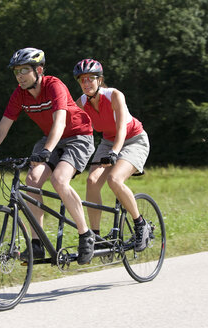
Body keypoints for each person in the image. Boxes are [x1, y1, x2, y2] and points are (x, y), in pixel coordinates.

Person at [0, 48, 96, 264]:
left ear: (39, 70)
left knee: (59, 180)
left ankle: (85, 235)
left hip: (78, 136)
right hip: (51, 138)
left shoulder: (54, 85)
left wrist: (46, 151)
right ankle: (37, 244)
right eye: (16, 72)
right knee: (31, 180)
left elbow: (60, 122)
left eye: (23, 70)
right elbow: (2, 127)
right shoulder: (19, 94)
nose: (19, 76)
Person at [73, 58, 152, 251]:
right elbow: (73, 129)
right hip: (108, 141)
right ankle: (95, 236)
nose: (86, 83)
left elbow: (122, 129)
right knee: (91, 182)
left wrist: (115, 152)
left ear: (99, 80)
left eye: (90, 79)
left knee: (115, 179)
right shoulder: (81, 103)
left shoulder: (115, 95)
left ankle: (141, 225)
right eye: (82, 80)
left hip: (133, 140)